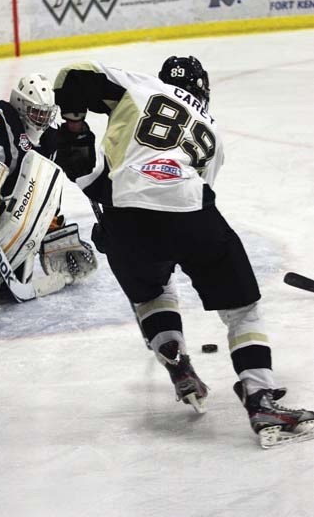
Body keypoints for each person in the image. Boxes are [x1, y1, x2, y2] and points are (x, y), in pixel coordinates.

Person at [52, 56, 314, 446]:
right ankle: (260, 398)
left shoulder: (140, 87)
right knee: (242, 309)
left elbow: (70, 77)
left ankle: (176, 359)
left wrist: (74, 128)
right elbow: (195, 193)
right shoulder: (212, 131)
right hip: (190, 211)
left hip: (125, 218)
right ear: (204, 90)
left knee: (152, 292)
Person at [0, 73, 97, 308]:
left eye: (46, 114)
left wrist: (50, 226)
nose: (42, 120)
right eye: (36, 113)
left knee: (14, 267)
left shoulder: (49, 137)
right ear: (21, 105)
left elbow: (44, 184)